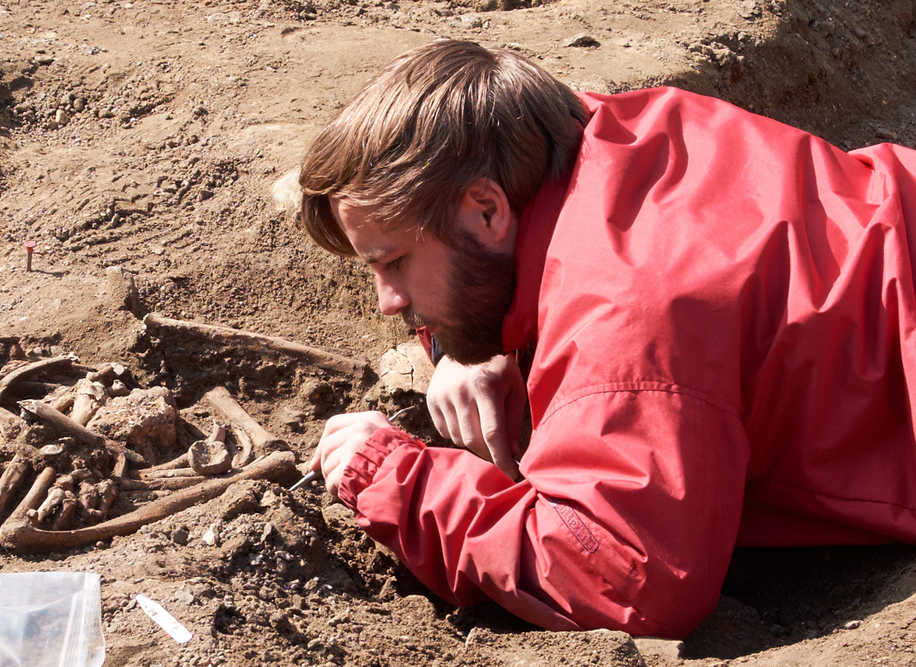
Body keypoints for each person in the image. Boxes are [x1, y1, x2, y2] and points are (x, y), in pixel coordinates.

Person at [296, 38, 916, 639]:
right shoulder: (599, 131)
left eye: (395, 261)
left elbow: (630, 577)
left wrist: (395, 480)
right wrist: (489, 342)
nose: (388, 302)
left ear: (486, 209)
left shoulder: (627, 317)